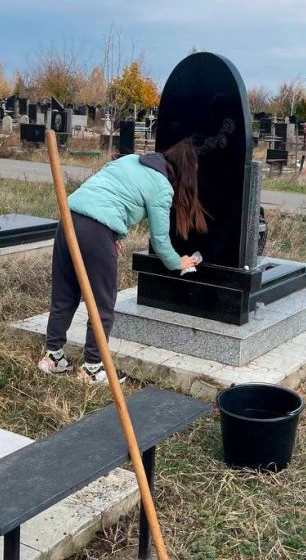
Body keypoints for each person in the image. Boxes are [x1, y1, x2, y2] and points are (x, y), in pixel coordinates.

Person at [40, 138, 206, 384]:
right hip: (96, 231)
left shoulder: (131, 160)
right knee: (102, 304)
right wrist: (178, 263)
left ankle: (52, 357)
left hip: (68, 219)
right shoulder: (162, 187)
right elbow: (160, 240)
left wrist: (114, 233)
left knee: (65, 294)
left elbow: (106, 191)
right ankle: (92, 369)